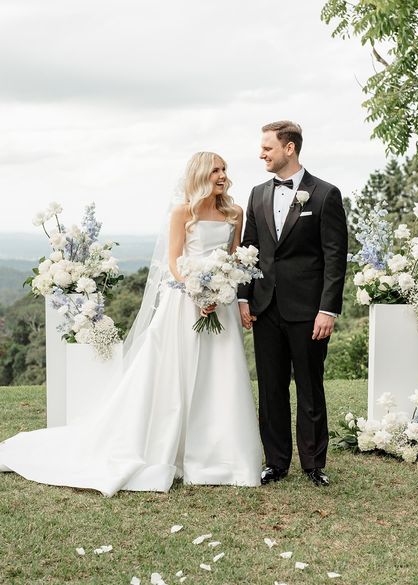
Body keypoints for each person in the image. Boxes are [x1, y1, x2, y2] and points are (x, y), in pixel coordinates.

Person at [0, 152, 262, 496]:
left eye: (225, 169)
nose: (222, 175)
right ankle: (174, 448)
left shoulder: (234, 212)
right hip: (185, 301)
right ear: (200, 174)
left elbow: (231, 255)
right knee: (175, 372)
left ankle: (224, 456)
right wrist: (196, 294)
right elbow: (173, 260)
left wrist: (222, 289)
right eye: (216, 169)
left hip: (220, 303)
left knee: (221, 372)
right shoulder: (183, 211)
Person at [239, 121, 348, 487]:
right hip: (265, 306)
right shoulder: (256, 195)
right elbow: (247, 252)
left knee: (309, 385)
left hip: (309, 311)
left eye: (267, 148)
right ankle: (275, 462)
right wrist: (243, 297)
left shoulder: (325, 194)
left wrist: (327, 309)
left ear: (289, 149)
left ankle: (314, 463)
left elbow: (335, 257)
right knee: (270, 388)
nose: (261, 154)